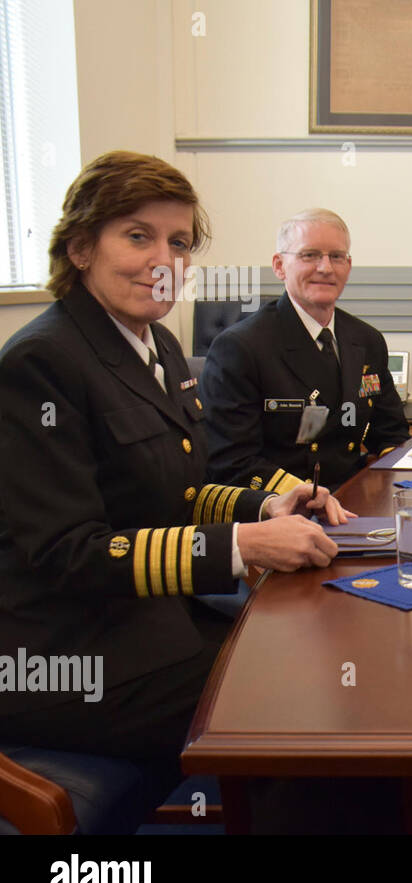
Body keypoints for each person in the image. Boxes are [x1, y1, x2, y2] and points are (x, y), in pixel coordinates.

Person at [0, 152, 345, 778]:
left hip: (150, 623)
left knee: (318, 659)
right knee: (302, 705)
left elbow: (174, 490)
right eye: (138, 236)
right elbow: (69, 554)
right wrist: (244, 544)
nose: (165, 260)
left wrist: (265, 506)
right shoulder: (41, 363)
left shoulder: (153, 341)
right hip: (67, 658)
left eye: (179, 242)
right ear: (80, 247)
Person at [199, 208, 410, 493]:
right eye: (309, 255)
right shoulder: (241, 348)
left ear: (348, 265)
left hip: (352, 497)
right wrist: (311, 496)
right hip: (281, 509)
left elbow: (391, 433)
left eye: (336, 256)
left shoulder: (366, 340)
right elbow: (232, 463)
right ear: (279, 265)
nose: (325, 267)